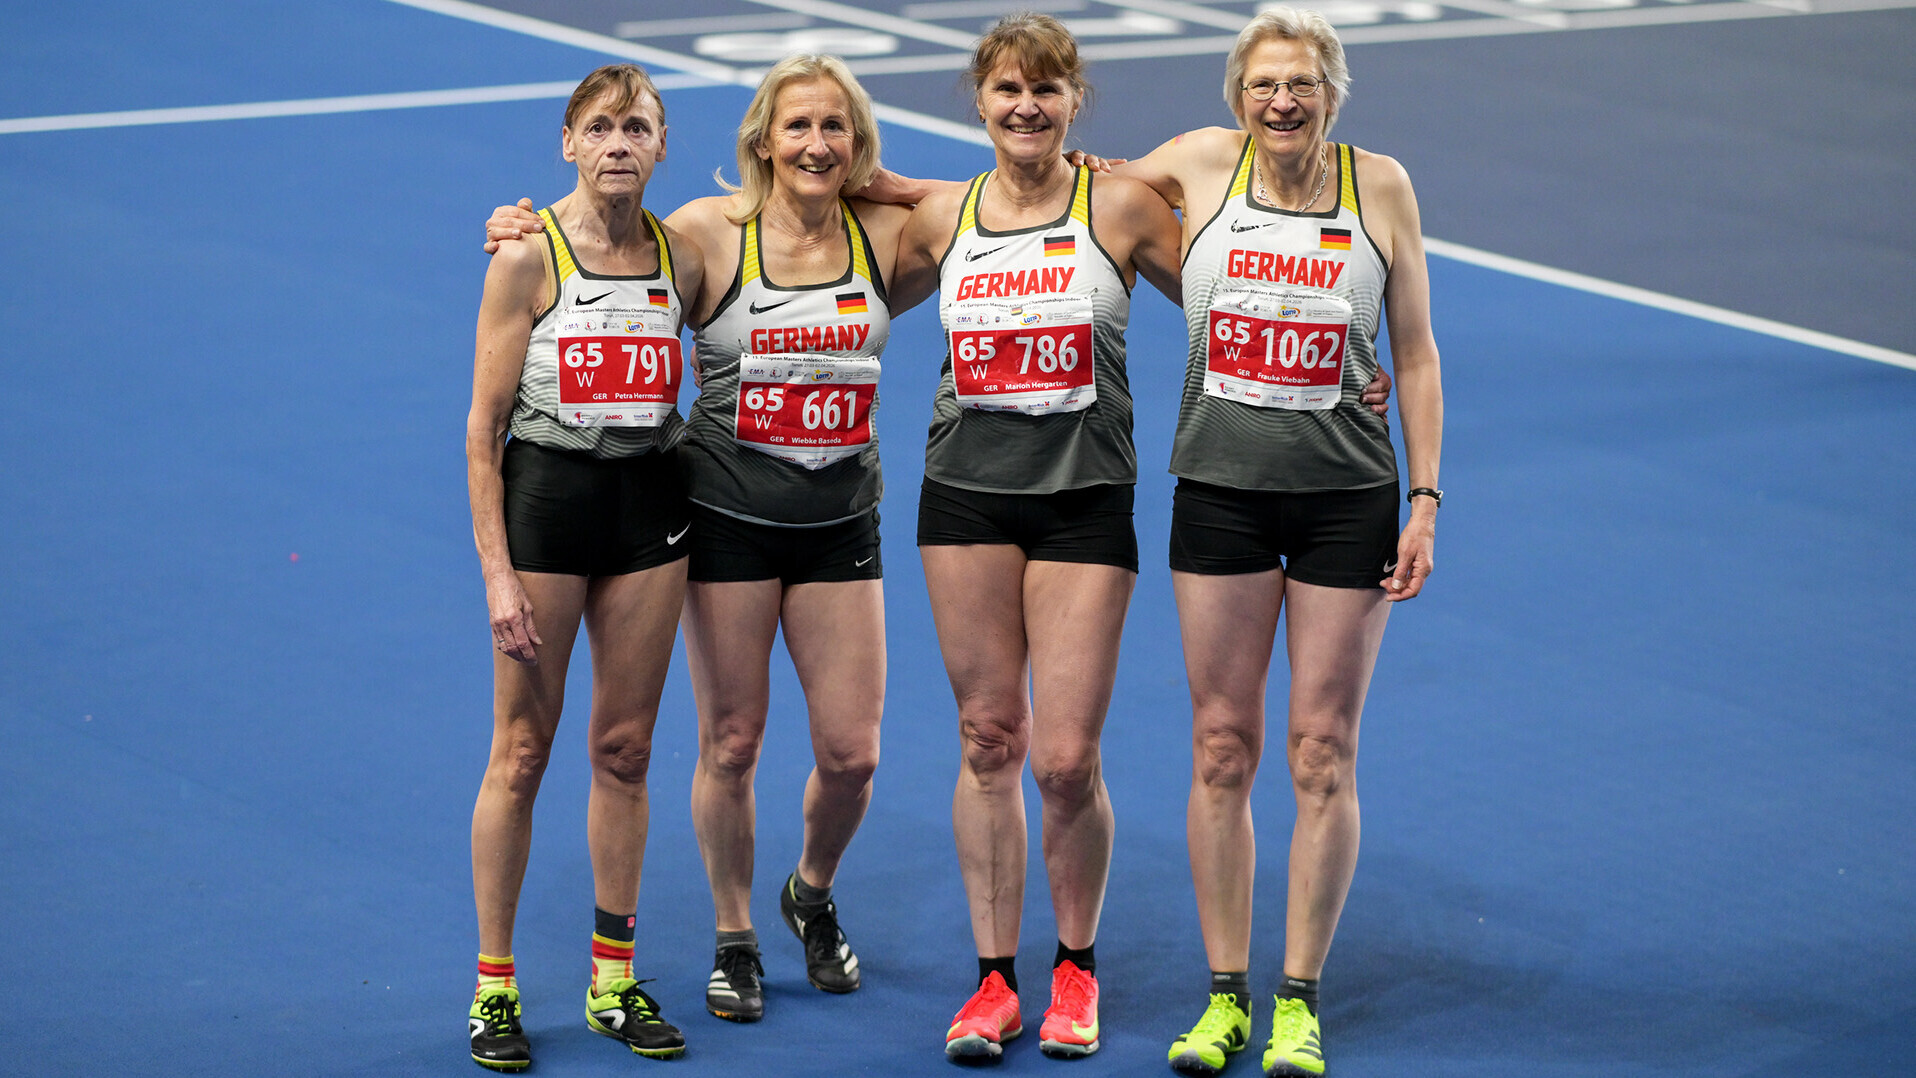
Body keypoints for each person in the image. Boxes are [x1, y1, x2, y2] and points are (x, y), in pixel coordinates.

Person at [483, 56, 926, 1025]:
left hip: (839, 522)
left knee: (851, 755)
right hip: (720, 520)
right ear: (760, 139)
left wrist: (887, 182)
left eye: (836, 130)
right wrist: (519, 231)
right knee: (729, 741)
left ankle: (806, 890)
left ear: (857, 146)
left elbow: (1004, 206)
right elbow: (600, 264)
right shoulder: (698, 238)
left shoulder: (889, 237)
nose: (815, 145)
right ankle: (733, 935)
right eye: (797, 127)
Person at [1104, 10, 1444, 1076]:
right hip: (1219, 495)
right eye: (1261, 86)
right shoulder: (1198, 165)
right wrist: (896, 194)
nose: (1280, 102)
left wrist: (1424, 497)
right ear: (1234, 97)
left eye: (1299, 84)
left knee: (1320, 751)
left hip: (1348, 497)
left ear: (1331, 93)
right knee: (1219, 747)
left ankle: (1295, 995)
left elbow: (1416, 355)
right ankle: (1222, 996)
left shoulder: (1378, 185)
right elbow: (1073, 188)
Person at [891, 13, 1184, 1062]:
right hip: (962, 497)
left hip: (1081, 500)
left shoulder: (1118, 207)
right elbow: (804, 256)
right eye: (1007, 90)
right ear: (978, 101)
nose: (1025, 106)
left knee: (1062, 760)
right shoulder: (938, 216)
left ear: (1073, 103)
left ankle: (1074, 966)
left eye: (1046, 90)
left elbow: (1241, 283)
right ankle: (991, 983)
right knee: (986, 742)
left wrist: (1352, 370)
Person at [464, 63, 704, 1071]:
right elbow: (480, 433)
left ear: (660, 148)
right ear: (567, 141)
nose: (617, 145)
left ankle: (613, 978)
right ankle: (495, 987)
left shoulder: (683, 255)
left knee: (626, 750)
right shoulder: (525, 254)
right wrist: (497, 573)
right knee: (521, 752)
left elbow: (804, 202)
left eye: (636, 129)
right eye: (599, 128)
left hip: (650, 508)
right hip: (549, 510)